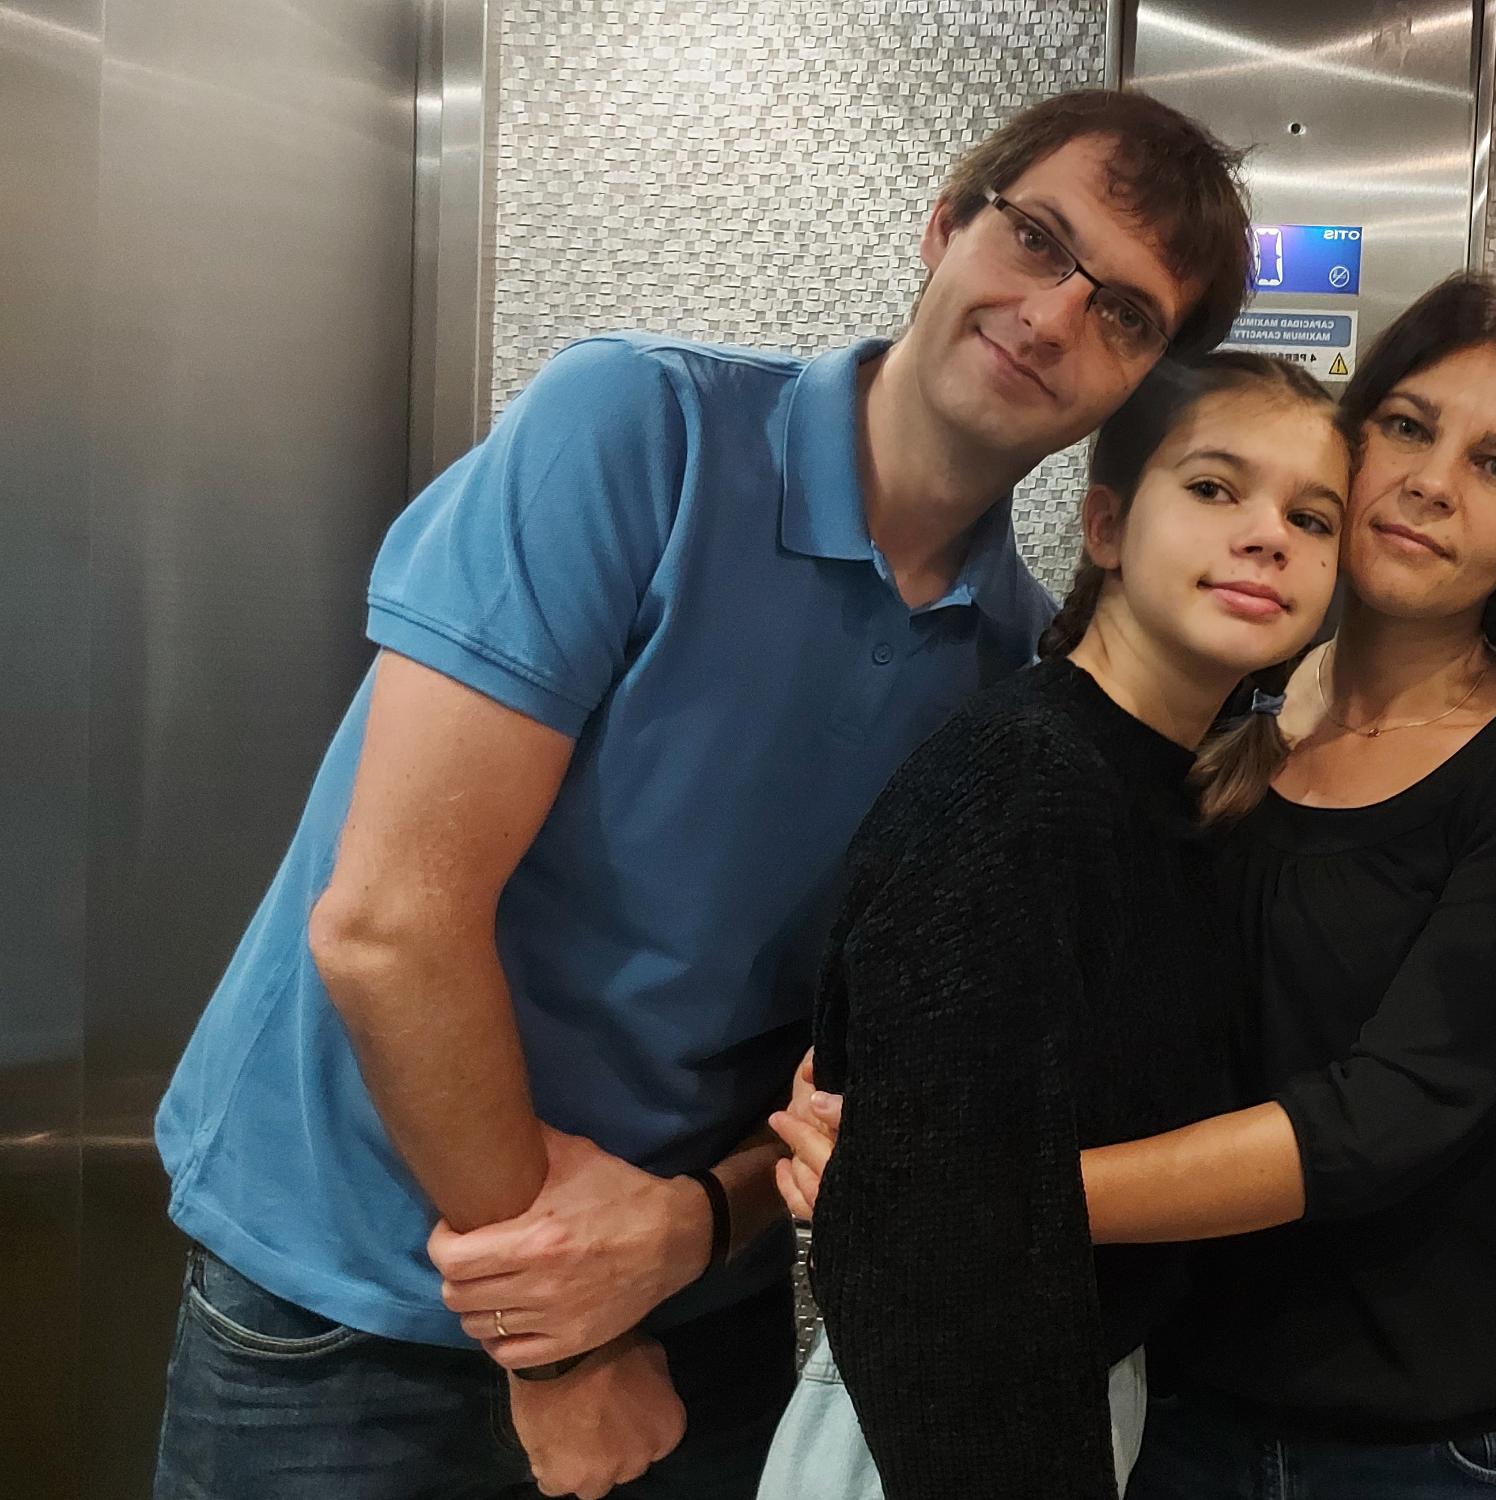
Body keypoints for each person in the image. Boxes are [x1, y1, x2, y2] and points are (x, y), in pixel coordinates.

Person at [149, 89, 1251, 1500]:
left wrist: (691, 1228)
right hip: (352, 1298)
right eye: (1036, 239)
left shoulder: (1010, 677)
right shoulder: (638, 431)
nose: (1051, 317)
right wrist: (558, 1345)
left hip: (680, 1316)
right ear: (943, 227)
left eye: (1126, 315)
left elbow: (842, 1080)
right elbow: (388, 925)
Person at [773, 273, 1496, 1496]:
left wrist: (962, 1193)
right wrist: (883, 1109)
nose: (1434, 484)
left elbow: (1385, 1115)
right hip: (1170, 1403)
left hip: (1427, 1440)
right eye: (1406, 427)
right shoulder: (1209, 733)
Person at [772, 352, 1350, 1500]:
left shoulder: (1174, 787)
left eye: (1313, 517)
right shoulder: (1024, 783)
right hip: (957, 1418)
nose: (1268, 536)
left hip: (1078, 1371)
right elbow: (940, 1247)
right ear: (1106, 527)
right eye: (1215, 488)